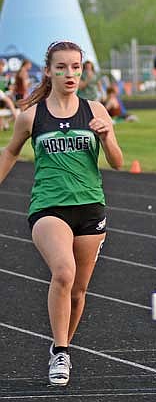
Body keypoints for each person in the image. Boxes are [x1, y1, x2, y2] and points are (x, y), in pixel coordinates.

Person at [0, 41, 123, 386]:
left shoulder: (95, 109)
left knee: (78, 291)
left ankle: (61, 347)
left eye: (75, 67)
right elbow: (10, 152)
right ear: (49, 71)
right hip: (49, 208)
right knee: (64, 272)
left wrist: (108, 135)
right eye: (62, 67)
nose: (70, 74)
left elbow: (117, 161)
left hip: (90, 208)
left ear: (82, 71)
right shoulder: (32, 116)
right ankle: (61, 351)